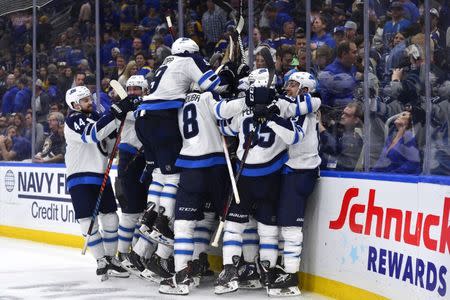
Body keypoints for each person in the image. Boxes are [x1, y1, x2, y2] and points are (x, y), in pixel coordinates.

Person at [134, 37, 234, 284]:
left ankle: (151, 215)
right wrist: (230, 78)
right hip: (163, 119)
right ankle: (163, 220)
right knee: (175, 177)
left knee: (162, 174)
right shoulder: (190, 60)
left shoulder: (165, 64)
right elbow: (213, 84)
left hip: (144, 119)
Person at [212, 69, 311, 295]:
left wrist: (257, 111)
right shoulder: (284, 105)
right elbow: (294, 134)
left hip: (245, 177)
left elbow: (224, 125)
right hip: (269, 177)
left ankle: (230, 271)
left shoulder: (250, 106)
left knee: (235, 227)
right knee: (267, 229)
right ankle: (265, 271)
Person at [158, 86, 228, 295]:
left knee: (184, 224)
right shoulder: (210, 95)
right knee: (227, 218)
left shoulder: (178, 100)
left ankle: (182, 276)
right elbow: (223, 114)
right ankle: (237, 269)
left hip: (191, 165)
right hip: (217, 163)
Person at [64, 85, 135, 280]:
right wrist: (115, 111)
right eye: (85, 100)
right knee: (87, 221)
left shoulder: (95, 117)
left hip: (100, 174)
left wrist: (122, 116)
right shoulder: (73, 120)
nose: (90, 102)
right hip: (79, 177)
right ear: (75, 104)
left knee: (111, 217)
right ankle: (100, 260)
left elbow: (110, 141)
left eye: (90, 98)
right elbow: (92, 135)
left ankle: (111, 259)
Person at [115, 75, 154, 275]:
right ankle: (122, 254)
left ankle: (136, 254)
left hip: (146, 160)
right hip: (129, 160)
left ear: (145, 90)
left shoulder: (147, 104)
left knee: (144, 213)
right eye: (129, 89)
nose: (131, 92)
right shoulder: (126, 107)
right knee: (131, 212)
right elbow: (139, 114)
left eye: (136, 89)